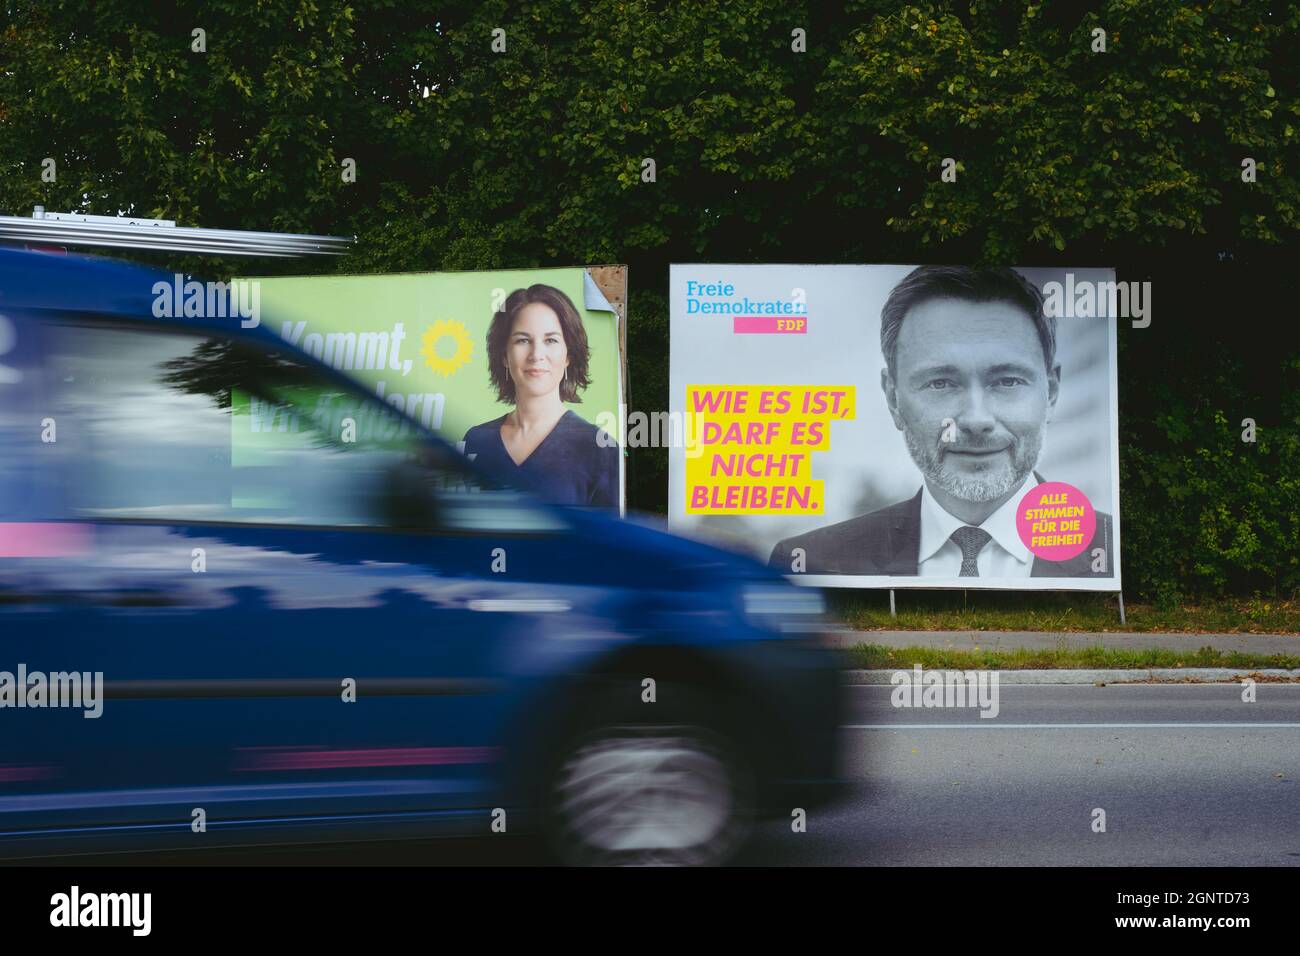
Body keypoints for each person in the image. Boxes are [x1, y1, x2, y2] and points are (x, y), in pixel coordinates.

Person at [769, 265, 1112, 577]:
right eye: (940, 383)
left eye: (1007, 381)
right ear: (893, 398)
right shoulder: (814, 562)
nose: (976, 420)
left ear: (1050, 394)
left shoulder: (1108, 553)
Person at [463, 284, 619, 509]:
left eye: (551, 340)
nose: (537, 355)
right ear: (504, 356)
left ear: (569, 355)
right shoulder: (476, 441)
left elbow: (608, 541)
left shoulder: (600, 449)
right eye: (522, 340)